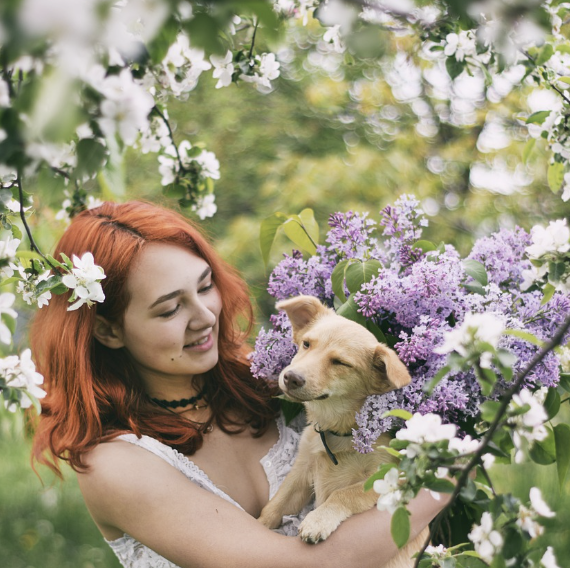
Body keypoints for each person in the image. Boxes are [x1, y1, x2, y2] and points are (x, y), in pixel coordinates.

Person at [32, 200, 448, 568]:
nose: (206, 316)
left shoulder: (271, 384)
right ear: (109, 332)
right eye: (170, 308)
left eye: (205, 285)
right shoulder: (115, 465)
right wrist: (446, 475)